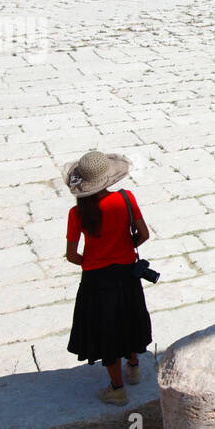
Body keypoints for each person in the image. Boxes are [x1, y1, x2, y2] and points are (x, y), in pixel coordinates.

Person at [61, 150, 152, 406]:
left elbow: (71, 255)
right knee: (129, 318)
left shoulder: (76, 214)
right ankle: (133, 367)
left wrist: (90, 260)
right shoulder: (126, 199)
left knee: (106, 331)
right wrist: (125, 245)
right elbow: (144, 234)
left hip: (96, 281)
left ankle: (117, 388)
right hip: (126, 273)